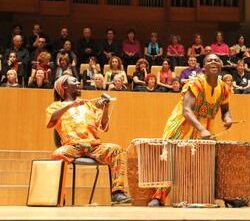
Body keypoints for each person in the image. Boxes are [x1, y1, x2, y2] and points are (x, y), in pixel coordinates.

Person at [147, 54, 232, 207]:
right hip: (183, 124)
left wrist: (227, 118)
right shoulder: (196, 83)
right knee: (173, 160)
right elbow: (187, 110)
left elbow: (225, 109)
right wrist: (201, 129)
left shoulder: (224, 88)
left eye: (216, 60)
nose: (213, 62)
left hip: (206, 126)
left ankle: (202, 196)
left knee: (204, 162)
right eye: (209, 60)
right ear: (203, 66)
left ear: (221, 65)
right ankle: (159, 196)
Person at [47, 75, 132, 204]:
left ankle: (117, 192)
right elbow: (52, 119)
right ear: (65, 86)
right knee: (57, 154)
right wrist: (71, 105)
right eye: (74, 81)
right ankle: (57, 196)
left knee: (116, 149)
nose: (78, 82)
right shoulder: (56, 106)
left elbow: (103, 126)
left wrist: (105, 108)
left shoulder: (88, 105)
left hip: (94, 147)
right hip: (72, 147)